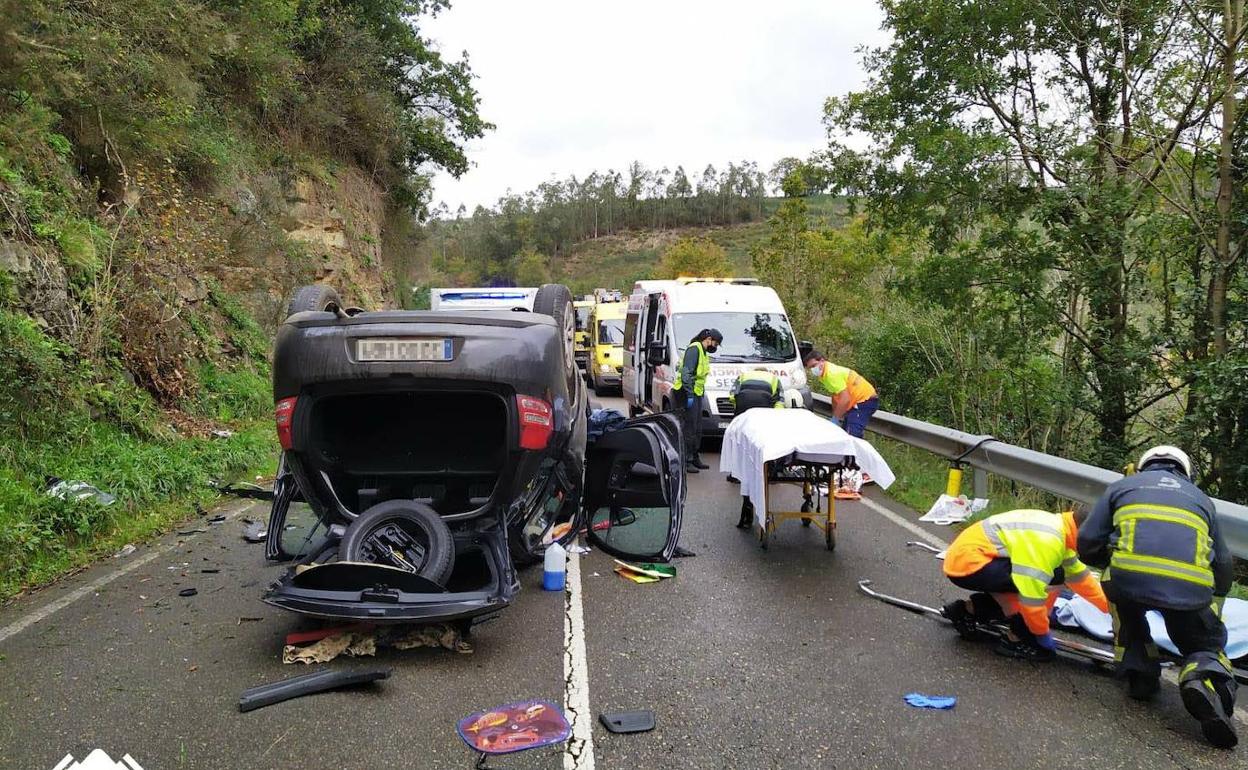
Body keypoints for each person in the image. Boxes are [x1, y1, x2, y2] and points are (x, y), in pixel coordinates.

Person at [1078, 445, 1237, 749]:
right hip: (1189, 590)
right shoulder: (1201, 500)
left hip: (1128, 581)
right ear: (1186, 472)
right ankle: (1198, 675)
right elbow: (1223, 564)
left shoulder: (1121, 487)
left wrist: (1107, 560)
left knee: (1124, 609)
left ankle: (1140, 672)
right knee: (1204, 641)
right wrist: (1214, 594)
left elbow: (1087, 540)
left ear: (1142, 466)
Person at [941, 508, 1108, 660]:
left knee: (1039, 588)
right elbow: (1032, 598)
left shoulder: (1060, 530)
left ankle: (965, 611)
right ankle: (1017, 639)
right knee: (1054, 578)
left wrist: (1111, 609)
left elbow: (1079, 578)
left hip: (971, 559)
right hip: (970, 564)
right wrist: (1040, 634)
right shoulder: (1049, 542)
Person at [671, 328, 722, 473]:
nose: (715, 347)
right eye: (716, 343)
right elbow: (686, 373)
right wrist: (689, 394)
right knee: (689, 428)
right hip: (686, 392)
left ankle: (694, 457)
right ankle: (686, 461)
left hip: (696, 392)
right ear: (709, 339)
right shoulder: (694, 349)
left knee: (697, 428)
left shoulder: (703, 351)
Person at [802, 351, 878, 438]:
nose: (813, 369)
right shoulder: (824, 375)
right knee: (845, 434)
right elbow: (836, 395)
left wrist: (835, 419)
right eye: (810, 368)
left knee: (852, 436)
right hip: (857, 402)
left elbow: (845, 399)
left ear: (822, 361)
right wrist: (835, 414)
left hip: (864, 400)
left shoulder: (831, 373)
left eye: (814, 365)